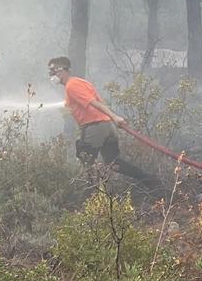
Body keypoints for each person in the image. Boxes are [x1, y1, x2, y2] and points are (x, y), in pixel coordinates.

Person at [48, 56, 157, 187]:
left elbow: (93, 103)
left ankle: (90, 197)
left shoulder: (72, 86)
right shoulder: (80, 82)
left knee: (86, 162)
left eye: (53, 71)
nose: (51, 74)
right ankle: (151, 182)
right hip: (107, 126)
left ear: (62, 70)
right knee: (114, 163)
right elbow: (94, 102)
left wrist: (115, 116)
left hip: (95, 128)